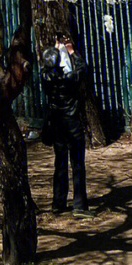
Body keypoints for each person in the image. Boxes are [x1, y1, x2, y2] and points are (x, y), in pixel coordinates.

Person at [40, 31, 94, 217]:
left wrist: (55, 50)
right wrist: (71, 51)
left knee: (60, 163)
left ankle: (58, 202)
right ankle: (79, 205)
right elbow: (82, 69)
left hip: (57, 125)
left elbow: (47, 66)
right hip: (72, 124)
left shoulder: (46, 78)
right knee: (77, 164)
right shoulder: (69, 80)